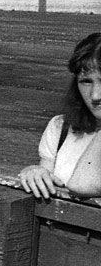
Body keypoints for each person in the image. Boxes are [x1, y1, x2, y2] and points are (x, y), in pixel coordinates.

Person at [22, 33, 101, 198]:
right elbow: (47, 185)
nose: (95, 95)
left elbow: (82, 184)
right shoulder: (60, 127)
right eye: (86, 81)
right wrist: (35, 173)